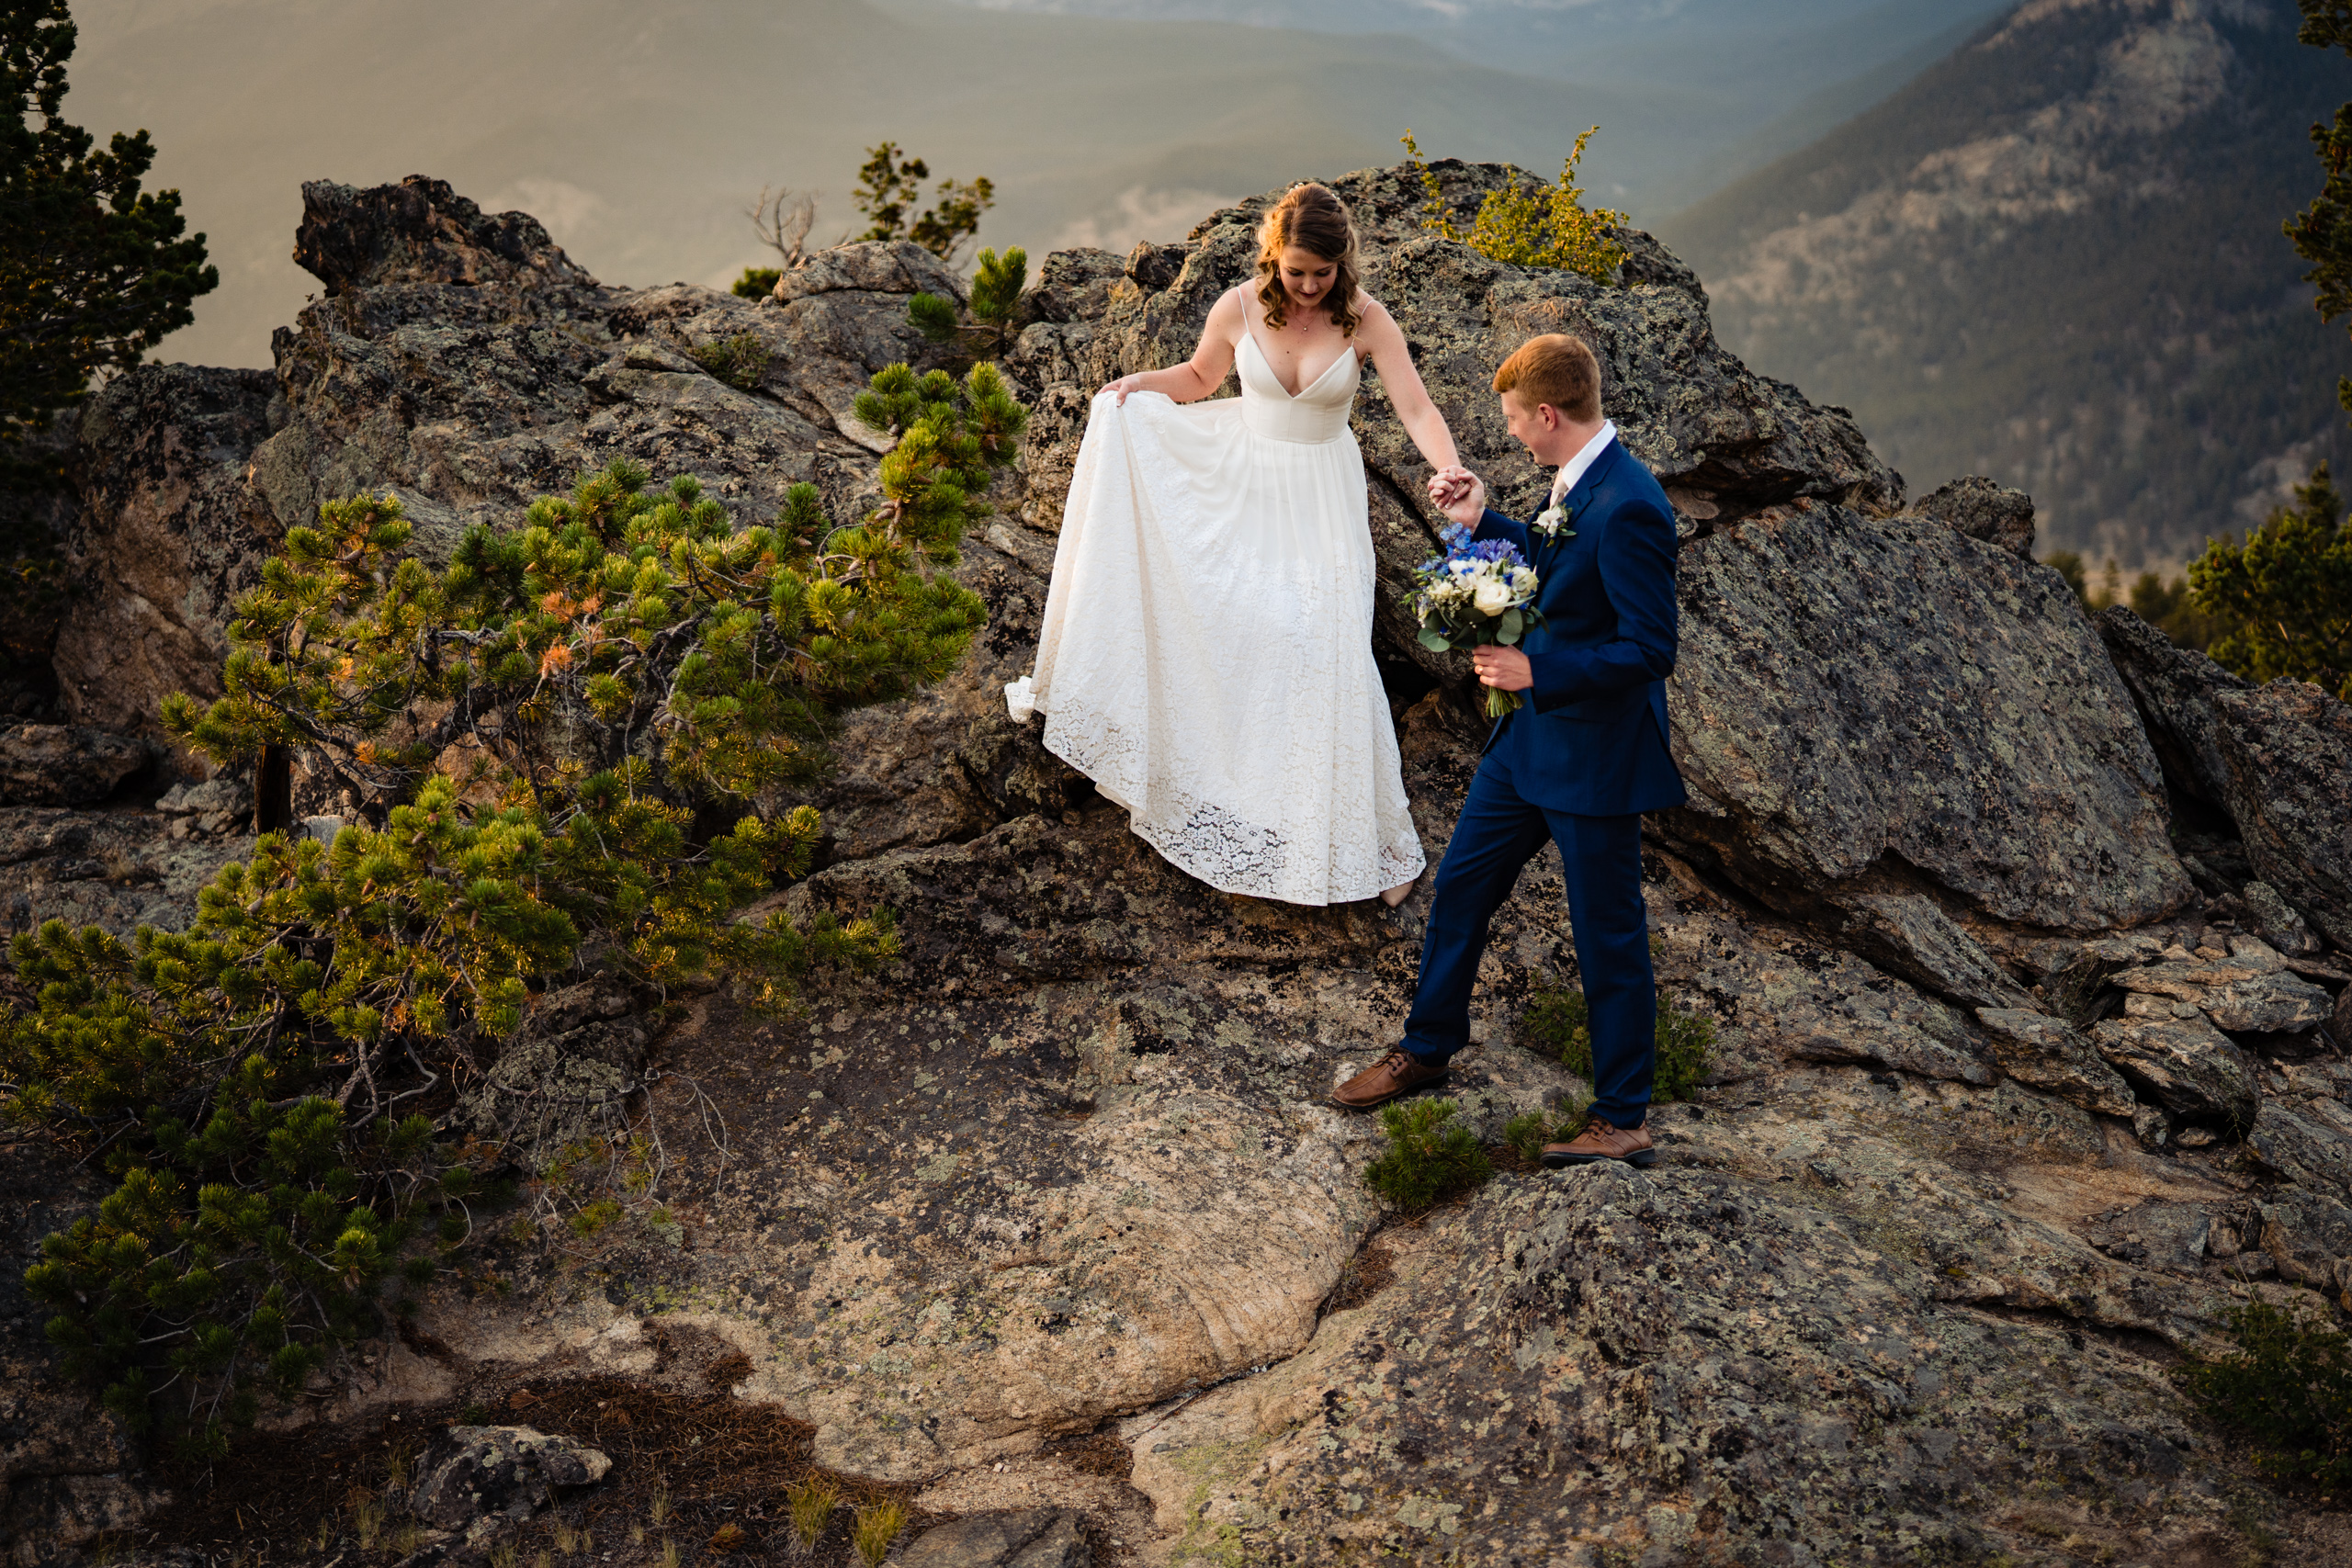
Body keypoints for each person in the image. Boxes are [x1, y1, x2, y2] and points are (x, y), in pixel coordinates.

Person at [1009, 184, 1465, 907]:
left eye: (1323, 272)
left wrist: (1449, 468)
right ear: (1273, 257)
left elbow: (1416, 405)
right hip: (1239, 483)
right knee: (1245, 633)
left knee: (1327, 644)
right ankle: (1242, 800)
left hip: (1320, 498)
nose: (1310, 285)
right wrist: (1135, 388)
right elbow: (1201, 377)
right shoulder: (1240, 305)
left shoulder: (1367, 319)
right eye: (1297, 271)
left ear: (1343, 262)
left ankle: (1368, 839)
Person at [1329, 333, 1686, 1169]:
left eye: (1518, 422)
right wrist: (1484, 521)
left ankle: (1623, 1113)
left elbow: (1650, 649)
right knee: (1459, 890)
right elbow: (1562, 567)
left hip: (1595, 757)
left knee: (1608, 937)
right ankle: (1427, 1047)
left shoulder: (1633, 504)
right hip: (1524, 747)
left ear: (1550, 413)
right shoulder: (1580, 478)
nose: (1516, 435)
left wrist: (1537, 668)